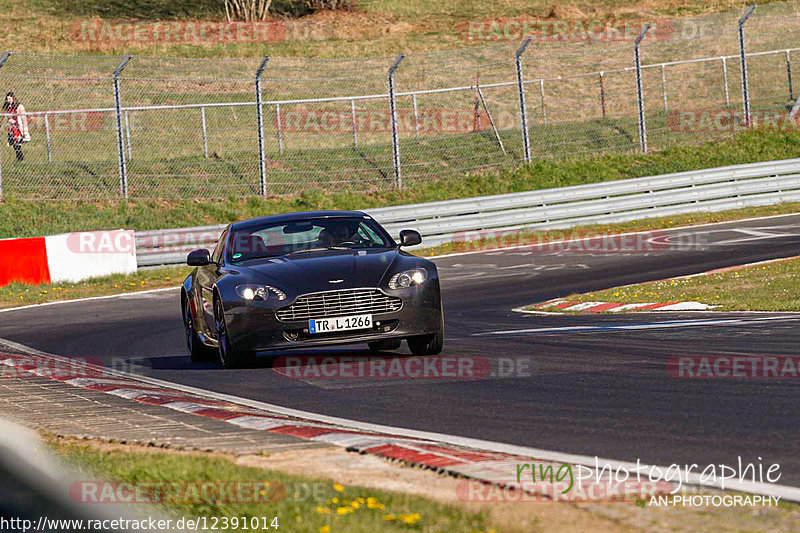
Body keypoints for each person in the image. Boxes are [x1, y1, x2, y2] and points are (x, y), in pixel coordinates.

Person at [2, 92, 30, 161]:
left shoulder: (19, 106)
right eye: (8, 99)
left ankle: (20, 158)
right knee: (14, 142)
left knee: (16, 142)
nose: (9, 100)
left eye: (10, 98)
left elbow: (23, 118)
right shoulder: (9, 107)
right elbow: (8, 116)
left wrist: (25, 131)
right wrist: (10, 120)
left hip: (18, 126)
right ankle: (20, 157)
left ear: (13, 98)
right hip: (13, 126)